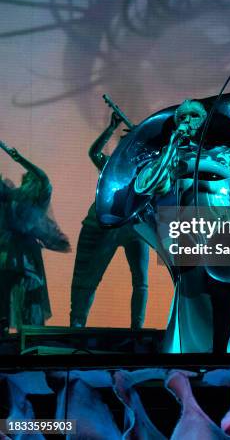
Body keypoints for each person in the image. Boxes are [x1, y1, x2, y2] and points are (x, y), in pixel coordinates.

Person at [134, 99, 230, 353]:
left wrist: (181, 163)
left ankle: (223, 355)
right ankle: (192, 356)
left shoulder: (222, 151)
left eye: (194, 116)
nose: (187, 121)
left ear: (204, 120)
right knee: (192, 298)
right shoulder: (172, 156)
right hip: (188, 237)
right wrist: (170, 149)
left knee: (225, 297)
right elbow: (148, 185)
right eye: (182, 117)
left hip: (222, 232)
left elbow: (223, 172)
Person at [70, 113, 149, 330]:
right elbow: (94, 152)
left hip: (134, 226)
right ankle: (77, 324)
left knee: (141, 281)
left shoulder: (146, 170)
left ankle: (137, 328)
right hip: (108, 226)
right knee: (90, 277)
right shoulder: (112, 166)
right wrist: (111, 128)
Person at [0, 146, 69, 333]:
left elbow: (45, 180)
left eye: (32, 178)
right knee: (3, 302)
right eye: (27, 177)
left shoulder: (39, 200)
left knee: (31, 304)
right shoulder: (10, 198)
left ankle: (31, 342)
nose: (30, 180)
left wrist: (20, 159)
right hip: (7, 257)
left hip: (27, 258)